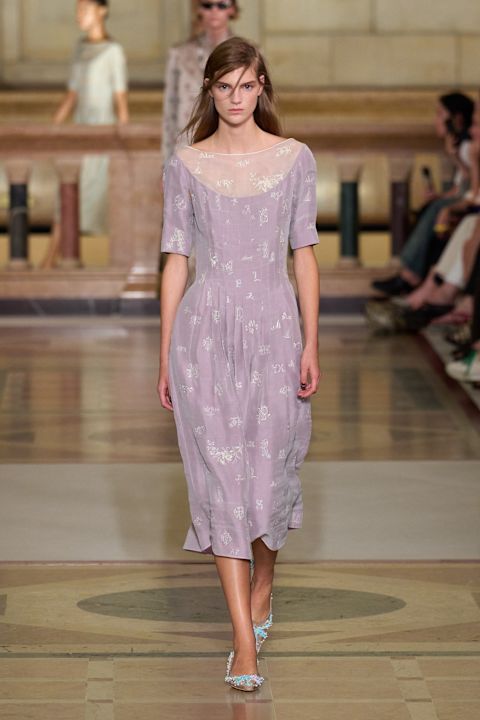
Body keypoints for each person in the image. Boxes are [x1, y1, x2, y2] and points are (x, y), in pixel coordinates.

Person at [157, 37, 321, 692]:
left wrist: (312, 341)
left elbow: (304, 254)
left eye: (247, 85)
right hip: (204, 336)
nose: (235, 97)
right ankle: (242, 644)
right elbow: (176, 260)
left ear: (262, 88)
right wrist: (165, 353)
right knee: (221, 487)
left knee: (269, 477)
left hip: (277, 332)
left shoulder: (294, 159)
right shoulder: (185, 164)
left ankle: (265, 578)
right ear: (210, 90)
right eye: (224, 86)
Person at [41, 0, 128, 268]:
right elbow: (72, 94)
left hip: (101, 136)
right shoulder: (80, 48)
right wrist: (51, 128)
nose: (79, 15)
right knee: (66, 195)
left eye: (85, 10)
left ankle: (55, 261)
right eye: (77, 10)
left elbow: (120, 100)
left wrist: (125, 141)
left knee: (89, 199)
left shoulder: (113, 51)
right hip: (79, 133)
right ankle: (52, 261)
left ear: (102, 10)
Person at [372, 92, 475, 296]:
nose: (436, 120)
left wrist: (447, 201)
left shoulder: (468, 147)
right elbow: (461, 185)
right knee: (429, 207)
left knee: (437, 210)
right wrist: (441, 195)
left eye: (440, 114)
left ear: (456, 118)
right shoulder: (459, 146)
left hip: (470, 202)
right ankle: (413, 273)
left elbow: (472, 186)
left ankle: (411, 275)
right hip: (465, 196)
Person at [162, 0, 239, 165]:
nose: (214, 11)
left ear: (232, 9)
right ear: (199, 9)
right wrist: (167, 165)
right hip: (188, 150)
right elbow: (170, 113)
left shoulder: (249, 55)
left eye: (221, 5)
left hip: (234, 152)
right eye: (207, 5)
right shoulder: (179, 54)